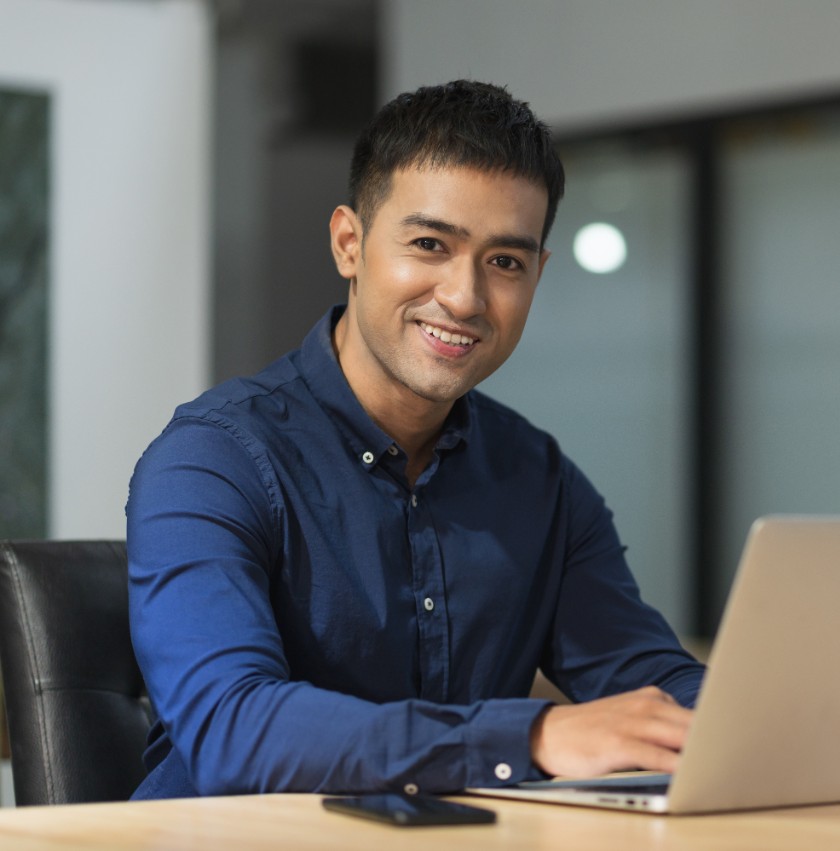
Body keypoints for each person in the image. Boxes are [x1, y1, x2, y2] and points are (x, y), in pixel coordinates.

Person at [126, 80, 704, 799]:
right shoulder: (211, 460)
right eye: (430, 245)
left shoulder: (540, 479)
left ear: (537, 275)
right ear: (350, 243)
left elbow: (647, 677)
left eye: (505, 262)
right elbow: (232, 729)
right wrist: (532, 737)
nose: (465, 296)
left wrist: (756, 719)